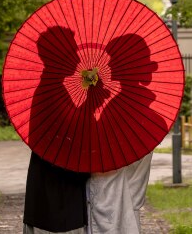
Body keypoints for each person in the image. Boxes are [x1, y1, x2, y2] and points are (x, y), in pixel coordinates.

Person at [87, 33, 166, 234]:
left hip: (110, 209)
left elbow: (100, 160)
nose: (108, 66)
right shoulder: (149, 116)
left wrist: (90, 110)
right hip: (126, 205)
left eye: (113, 61)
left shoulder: (120, 112)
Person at [23, 26, 91, 234]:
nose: (78, 59)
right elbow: (71, 131)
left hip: (55, 182)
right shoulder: (50, 92)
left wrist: (90, 101)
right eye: (73, 52)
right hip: (56, 185)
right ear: (57, 56)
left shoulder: (53, 88)